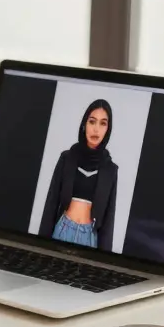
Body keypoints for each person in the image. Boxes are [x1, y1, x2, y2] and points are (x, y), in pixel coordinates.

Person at [39, 99, 118, 251]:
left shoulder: (111, 170)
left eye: (103, 123)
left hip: (89, 238)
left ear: (108, 129)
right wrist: (40, 246)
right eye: (92, 121)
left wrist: (106, 263)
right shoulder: (67, 158)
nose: (96, 129)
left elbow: (109, 221)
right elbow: (51, 203)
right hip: (63, 230)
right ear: (84, 125)